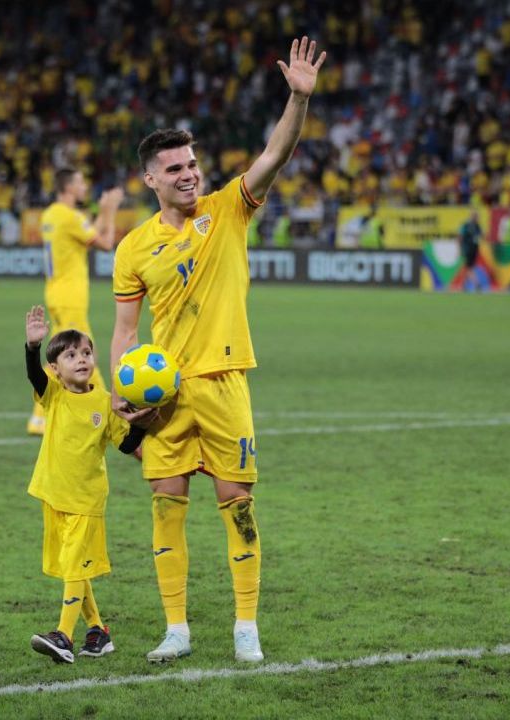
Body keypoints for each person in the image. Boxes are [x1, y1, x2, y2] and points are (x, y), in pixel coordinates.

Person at [110, 36, 326, 665]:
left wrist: (297, 99)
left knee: (238, 504)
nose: (188, 174)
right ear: (150, 179)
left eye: (191, 163)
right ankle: (176, 627)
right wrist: (126, 395)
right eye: (174, 168)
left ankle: (245, 626)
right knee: (166, 505)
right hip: (165, 395)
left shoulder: (228, 210)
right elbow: (126, 333)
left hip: (226, 383)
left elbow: (276, 153)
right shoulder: (133, 249)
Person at [22, 305, 154, 664]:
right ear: (56, 370)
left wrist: (141, 424)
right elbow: (34, 376)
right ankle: (98, 631)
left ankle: (63, 635)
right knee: (73, 567)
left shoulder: (106, 402)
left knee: (75, 566)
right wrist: (33, 348)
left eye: (86, 353)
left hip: (87, 498)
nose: (81, 359)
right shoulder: (54, 393)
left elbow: (125, 445)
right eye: (70, 355)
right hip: (53, 493)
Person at [28, 169, 125, 436]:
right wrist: (110, 209)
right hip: (70, 297)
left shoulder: (52, 215)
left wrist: (102, 213)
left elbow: (88, 233)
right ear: (69, 187)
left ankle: (40, 417)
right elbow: (105, 242)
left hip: (57, 293)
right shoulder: (70, 217)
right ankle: (110, 411)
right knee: (82, 353)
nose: (85, 187)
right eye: (81, 182)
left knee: (63, 354)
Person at [458, 211, 483, 291]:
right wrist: (460, 249)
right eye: (475, 216)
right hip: (467, 249)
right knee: (469, 267)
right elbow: (460, 237)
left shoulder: (477, 226)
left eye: (477, 216)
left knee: (468, 267)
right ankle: (476, 283)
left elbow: (480, 237)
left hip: (474, 250)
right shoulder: (465, 225)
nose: (476, 218)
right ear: (471, 217)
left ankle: (463, 286)